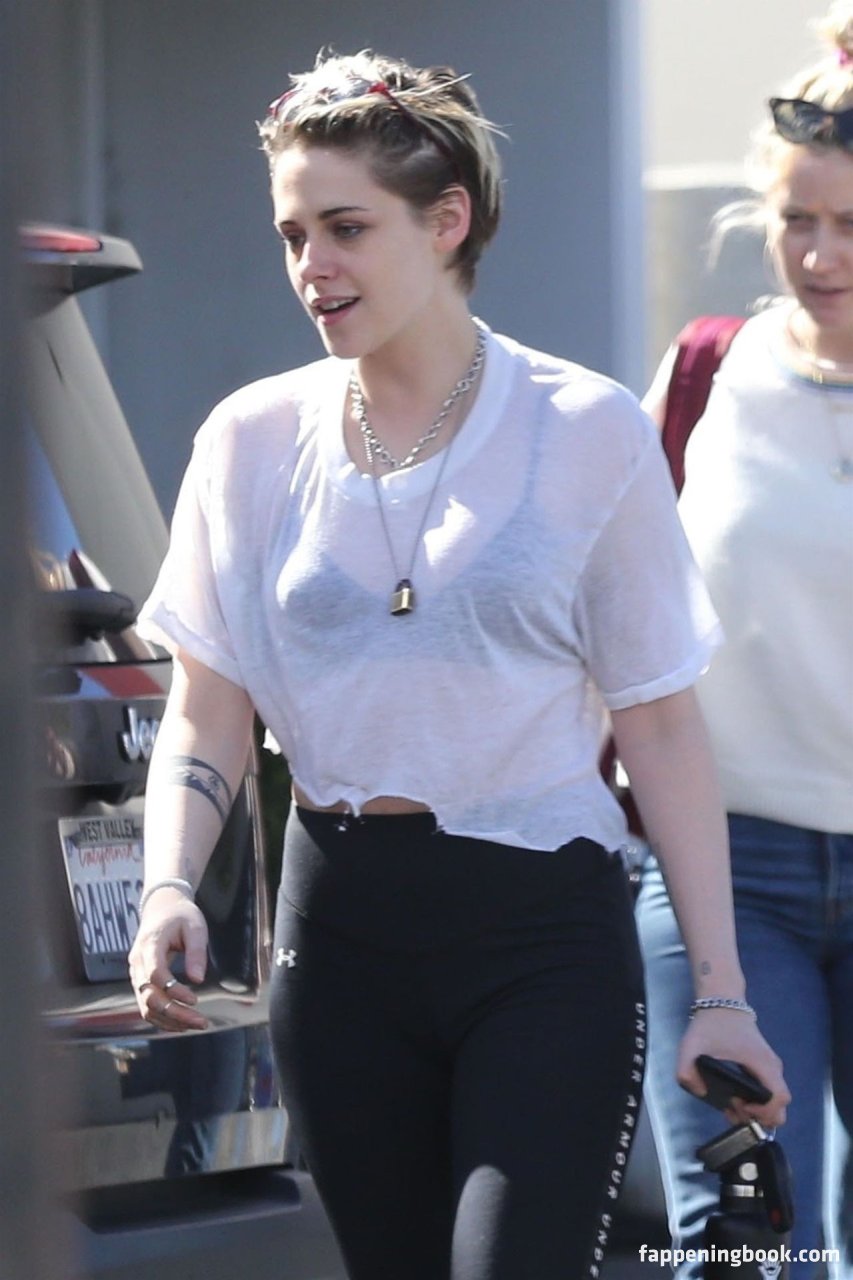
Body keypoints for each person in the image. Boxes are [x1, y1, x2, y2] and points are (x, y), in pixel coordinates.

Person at [128, 49, 788, 1280]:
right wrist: (170, 881)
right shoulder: (249, 440)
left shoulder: (583, 429)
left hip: (542, 939)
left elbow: (659, 726)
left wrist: (721, 991)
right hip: (337, 941)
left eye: (346, 228)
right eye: (291, 235)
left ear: (446, 222)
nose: (312, 267)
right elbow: (207, 706)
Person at [636, 7, 853, 1277]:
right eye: (795, 219)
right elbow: (617, 604)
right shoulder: (703, 375)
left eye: (852, 224)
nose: (819, 255)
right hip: (725, 874)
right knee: (746, 1242)